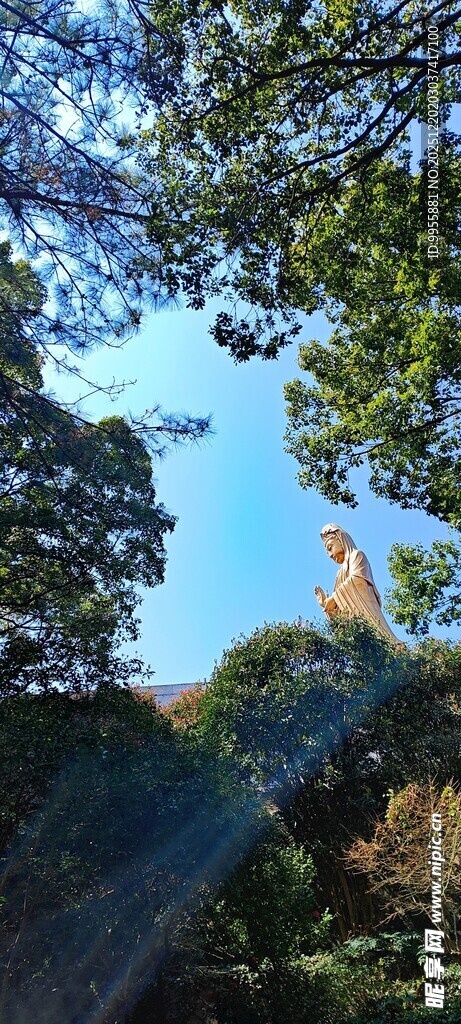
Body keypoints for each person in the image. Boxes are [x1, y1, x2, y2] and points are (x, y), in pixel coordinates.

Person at [314, 523, 401, 645]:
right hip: (357, 630)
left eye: (330, 548)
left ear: (340, 539)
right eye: (327, 552)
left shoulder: (357, 556)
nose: (330, 555)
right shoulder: (339, 574)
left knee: (383, 642)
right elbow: (341, 610)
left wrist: (334, 598)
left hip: (367, 614)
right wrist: (327, 605)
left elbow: (358, 581)